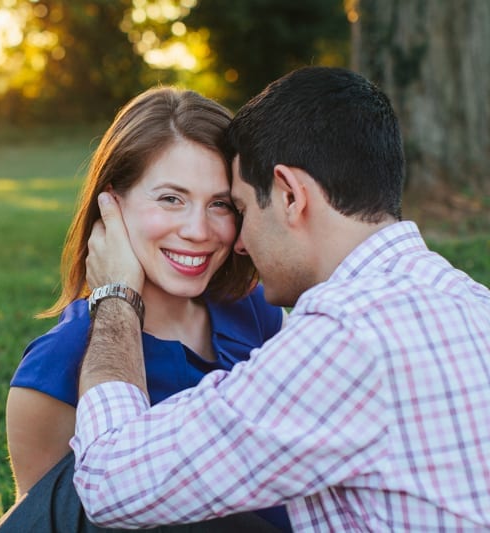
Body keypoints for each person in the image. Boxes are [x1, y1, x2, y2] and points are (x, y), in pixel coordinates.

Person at [72, 66, 490, 531]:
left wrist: (115, 296)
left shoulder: (346, 338)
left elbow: (108, 480)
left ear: (290, 196)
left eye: (238, 208)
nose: (240, 244)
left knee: (65, 500)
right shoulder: (470, 300)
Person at [0, 86, 292, 531]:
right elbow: (46, 519)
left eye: (220, 205)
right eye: (171, 198)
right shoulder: (60, 363)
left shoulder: (251, 308)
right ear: (111, 201)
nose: (198, 231)